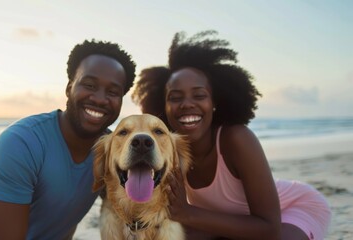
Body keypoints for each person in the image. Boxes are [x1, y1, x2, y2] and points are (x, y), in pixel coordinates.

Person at [131, 30, 331, 240]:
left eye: (199, 95)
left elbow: (270, 230)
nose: (187, 104)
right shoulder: (167, 151)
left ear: (215, 102)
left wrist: (188, 213)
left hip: (289, 211)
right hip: (227, 219)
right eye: (175, 97)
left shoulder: (236, 139)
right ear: (162, 106)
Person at [0, 39, 136, 240]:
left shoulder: (114, 152)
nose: (99, 99)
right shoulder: (22, 142)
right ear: (69, 88)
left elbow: (135, 216)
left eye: (113, 92)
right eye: (89, 85)